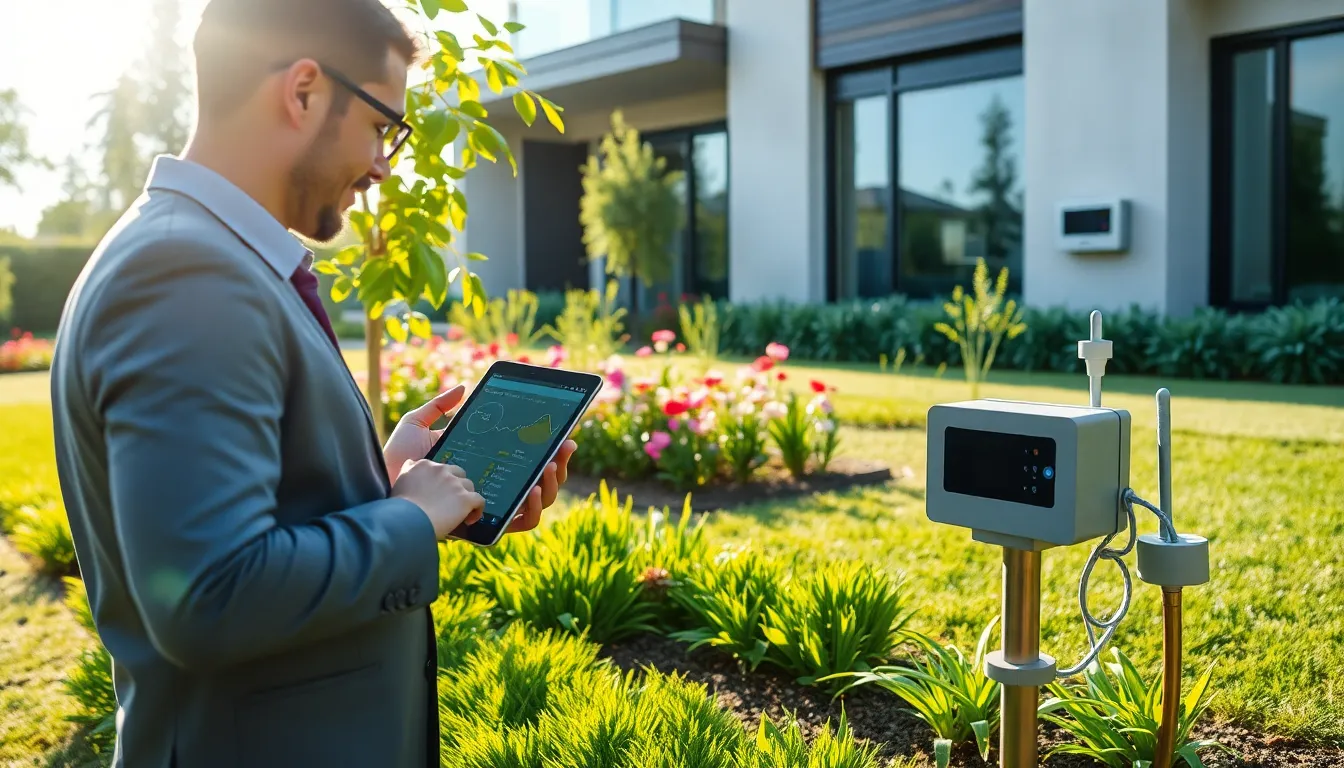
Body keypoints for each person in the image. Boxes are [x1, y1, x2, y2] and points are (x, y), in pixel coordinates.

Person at [47, 0, 576, 765]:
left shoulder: (202, 254)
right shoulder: (187, 275)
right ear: (302, 91)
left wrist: (382, 479)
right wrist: (409, 521)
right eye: (382, 127)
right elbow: (208, 597)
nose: (385, 165)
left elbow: (247, 518)